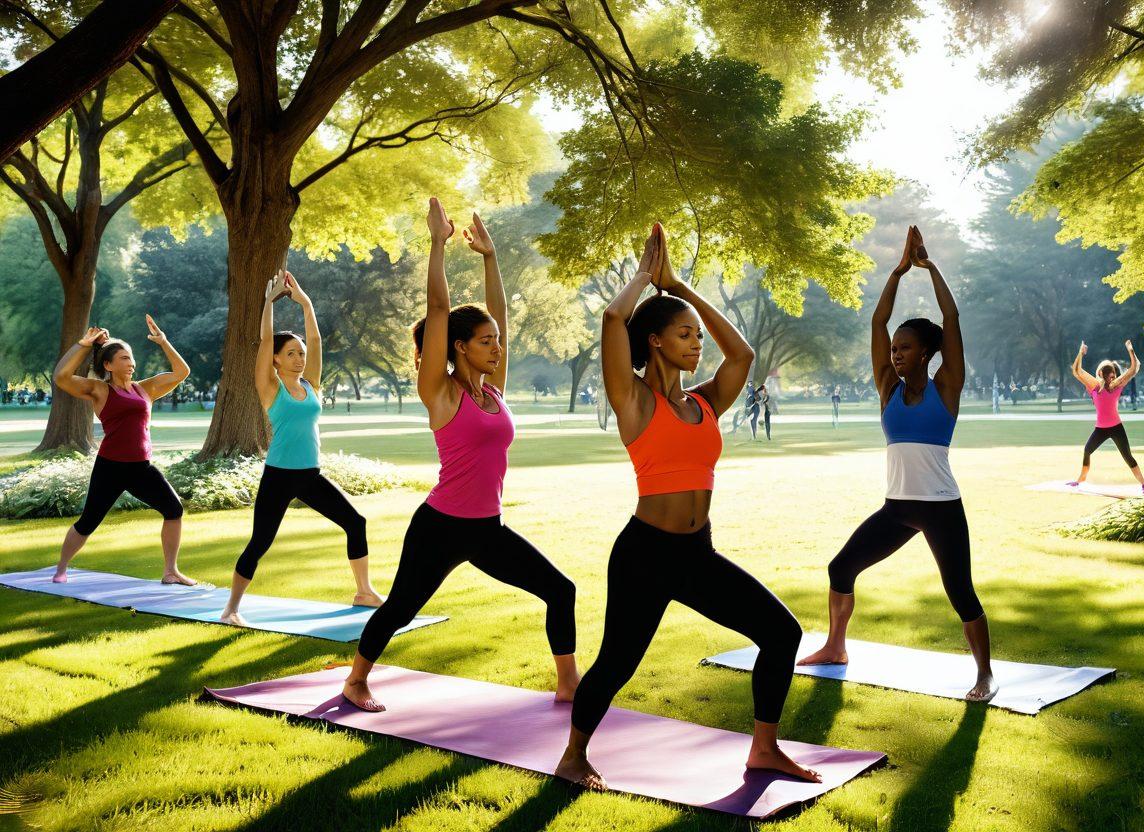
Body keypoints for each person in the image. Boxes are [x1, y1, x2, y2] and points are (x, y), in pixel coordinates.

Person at [555, 223, 815, 790]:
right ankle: (573, 756)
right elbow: (613, 320)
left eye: (698, 335)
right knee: (617, 663)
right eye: (684, 334)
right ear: (654, 341)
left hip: (697, 554)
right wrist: (644, 278)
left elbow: (742, 354)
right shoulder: (633, 399)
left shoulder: (706, 402)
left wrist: (681, 288)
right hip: (645, 555)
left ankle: (764, 749)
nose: (698, 344)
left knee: (781, 633)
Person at [342, 198, 579, 712]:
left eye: (497, 341)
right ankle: (356, 680)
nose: (497, 348)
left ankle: (569, 685)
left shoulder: (493, 390)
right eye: (486, 342)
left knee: (561, 590)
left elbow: (501, 317)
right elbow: (438, 311)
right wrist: (437, 245)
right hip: (441, 526)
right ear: (460, 347)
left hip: (488, 528)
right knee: (402, 607)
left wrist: (491, 259)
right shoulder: (441, 392)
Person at [797, 226, 996, 702]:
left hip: (941, 507)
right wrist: (897, 272)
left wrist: (929, 268)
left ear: (926, 352)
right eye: (894, 349)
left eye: (904, 347)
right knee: (841, 567)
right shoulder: (888, 388)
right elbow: (877, 322)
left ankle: (985, 674)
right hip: (897, 508)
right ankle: (835, 647)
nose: (895, 353)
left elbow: (951, 318)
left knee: (960, 591)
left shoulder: (947, 386)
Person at [219, 270, 382, 626]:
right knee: (260, 542)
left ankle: (363, 591)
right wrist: (269, 302)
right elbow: (265, 341)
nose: (299, 358)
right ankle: (231, 608)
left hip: (310, 475)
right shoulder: (270, 387)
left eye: (301, 353)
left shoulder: (311, 385)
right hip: (279, 476)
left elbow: (316, 340)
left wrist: (305, 302)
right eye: (291, 353)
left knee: (355, 522)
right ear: (276, 359)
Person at [50, 317, 195, 585]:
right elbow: (61, 377)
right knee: (88, 522)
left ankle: (170, 571)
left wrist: (163, 342)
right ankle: (61, 568)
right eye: (124, 358)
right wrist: (83, 344)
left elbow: (181, 372)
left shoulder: (145, 388)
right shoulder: (99, 390)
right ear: (108, 365)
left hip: (141, 468)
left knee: (174, 510)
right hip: (111, 467)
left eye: (131, 358)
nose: (131, 363)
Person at [1067, 340, 1144, 494]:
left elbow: (1134, 368)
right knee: (1087, 450)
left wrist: (1131, 350)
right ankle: (1080, 479)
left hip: (1117, 428)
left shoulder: (1117, 386)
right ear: (1101, 374)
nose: (1113, 379)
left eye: (1114, 376)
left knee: (1127, 456)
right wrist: (1080, 353)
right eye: (1110, 376)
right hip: (1100, 429)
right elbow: (1076, 371)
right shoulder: (1094, 386)